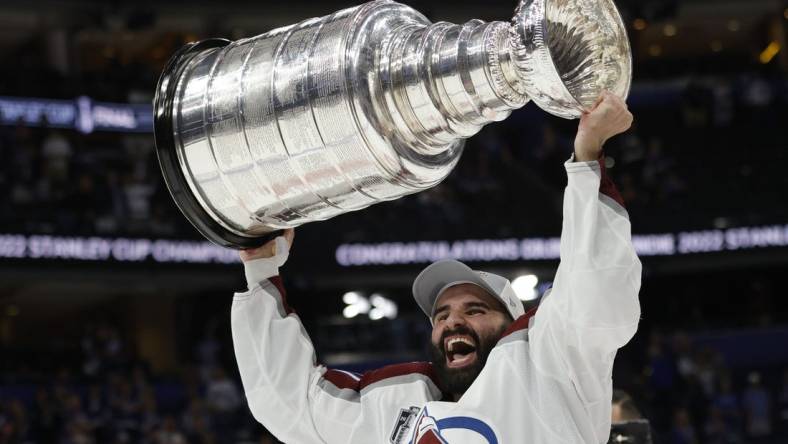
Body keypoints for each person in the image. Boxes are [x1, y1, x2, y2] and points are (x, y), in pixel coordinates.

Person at [231, 92, 641, 443]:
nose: (452, 322)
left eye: (474, 310)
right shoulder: (395, 408)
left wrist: (587, 157)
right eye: (442, 315)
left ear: (513, 324)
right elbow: (289, 402)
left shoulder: (550, 369)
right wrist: (259, 268)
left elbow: (594, 290)